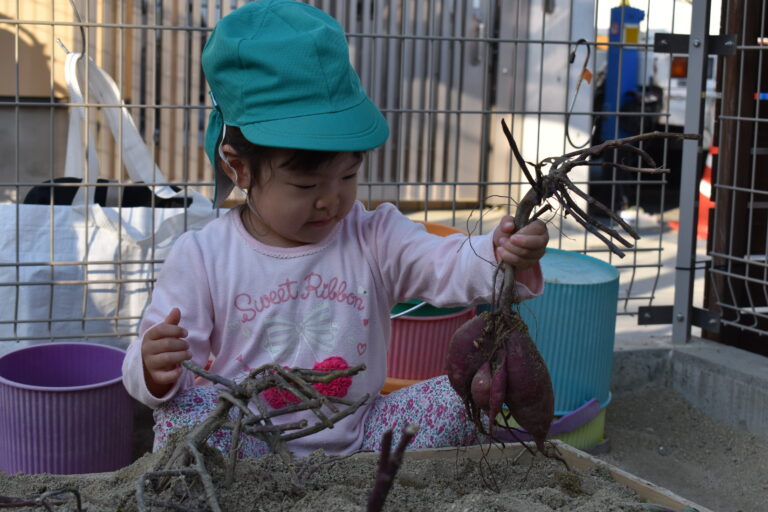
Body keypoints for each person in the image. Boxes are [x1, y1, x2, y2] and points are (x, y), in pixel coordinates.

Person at [122, 0, 549, 459]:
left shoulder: (372, 235)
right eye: (305, 184)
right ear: (240, 169)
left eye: (347, 176)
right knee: (180, 414)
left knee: (460, 397)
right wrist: (152, 367)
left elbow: (445, 264)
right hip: (248, 444)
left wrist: (500, 251)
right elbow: (163, 364)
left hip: (363, 440)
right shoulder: (204, 257)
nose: (331, 200)